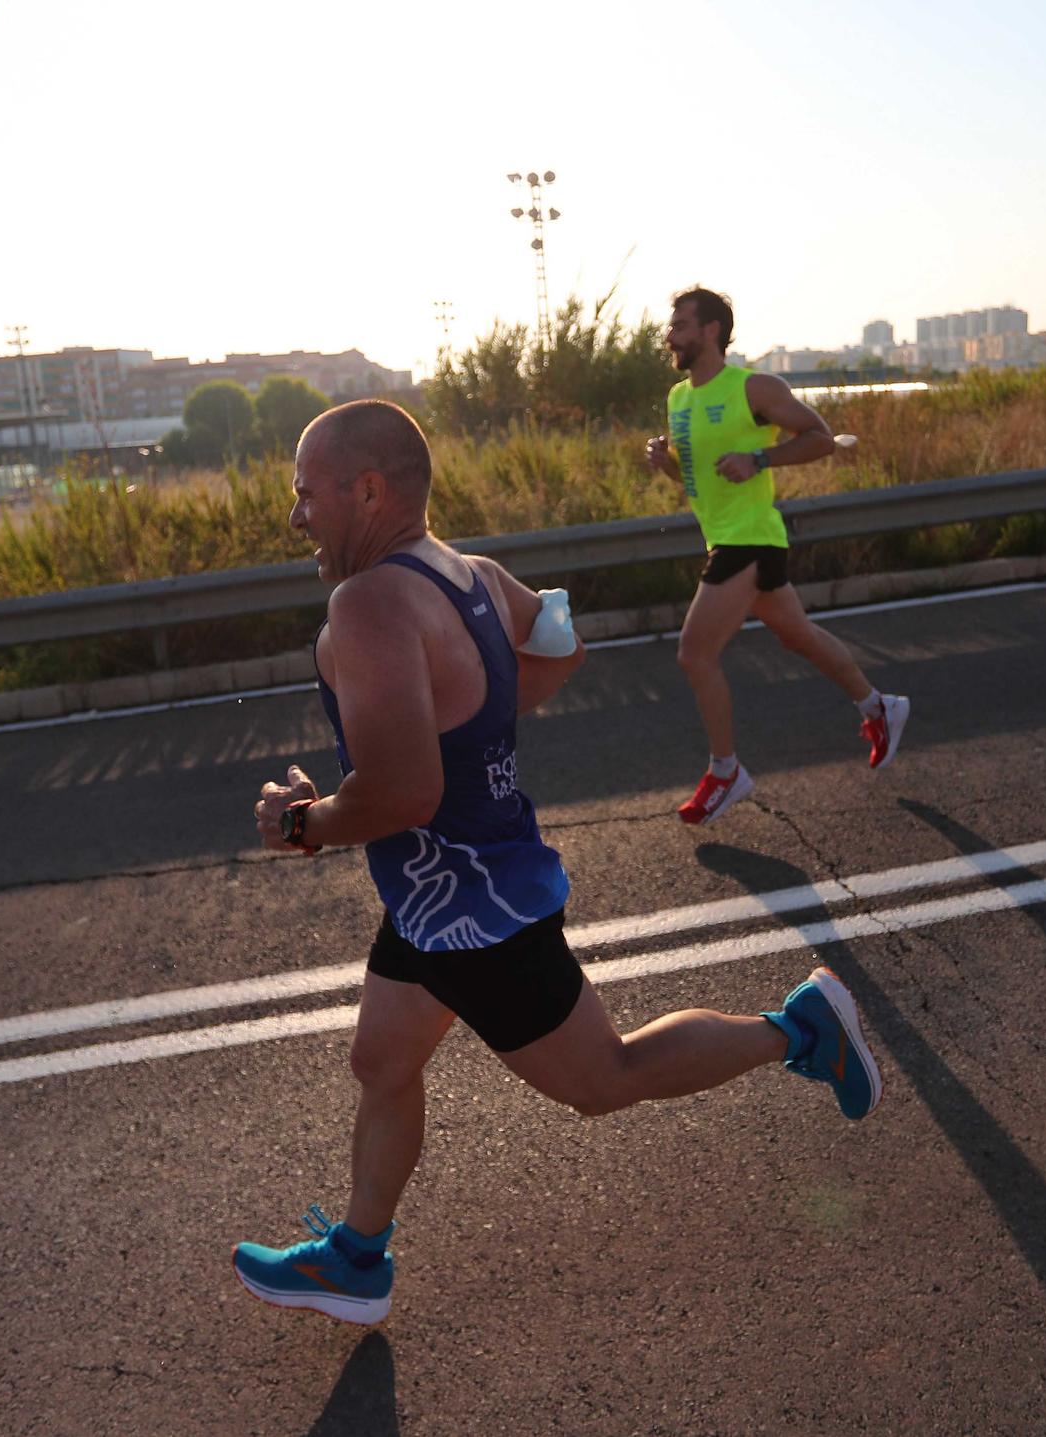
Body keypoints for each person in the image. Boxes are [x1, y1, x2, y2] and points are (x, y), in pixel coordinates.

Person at [232, 399, 885, 1325]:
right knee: (381, 1058)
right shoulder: (471, 574)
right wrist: (474, 719)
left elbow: (405, 792)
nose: (297, 515)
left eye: (306, 494)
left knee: (603, 1079)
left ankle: (801, 1030)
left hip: (474, 908)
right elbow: (561, 642)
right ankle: (356, 1259)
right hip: (437, 893)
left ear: (366, 489)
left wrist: (301, 822)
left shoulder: (369, 599)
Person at [642, 286, 910, 825]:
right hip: (724, 536)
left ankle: (726, 772)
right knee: (798, 635)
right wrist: (665, 464)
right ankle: (879, 706)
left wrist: (760, 458)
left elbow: (821, 438)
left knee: (695, 654)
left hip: (751, 538)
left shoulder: (753, 388)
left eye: (681, 324)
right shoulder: (678, 399)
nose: (670, 333)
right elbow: (699, 483)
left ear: (712, 330)